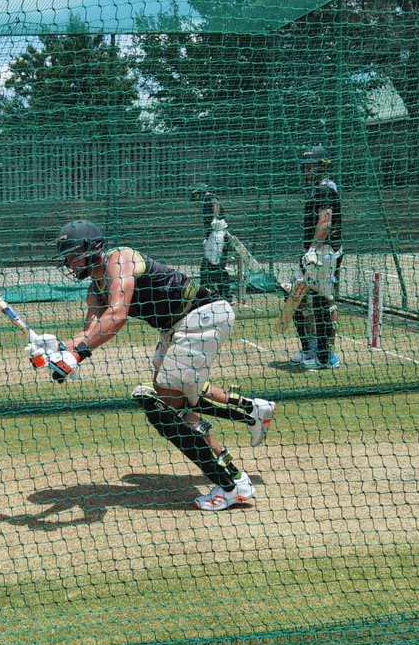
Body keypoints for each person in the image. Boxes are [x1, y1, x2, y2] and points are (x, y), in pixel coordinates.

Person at [26, 219, 275, 512]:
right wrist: (57, 347)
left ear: (92, 248)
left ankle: (233, 483)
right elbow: (92, 331)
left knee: (172, 400)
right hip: (179, 327)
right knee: (174, 390)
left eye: (72, 253)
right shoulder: (95, 288)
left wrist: (76, 354)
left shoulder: (120, 260)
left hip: (201, 316)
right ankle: (252, 411)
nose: (68, 262)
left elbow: (116, 316)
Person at [288, 145, 342, 370]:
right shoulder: (316, 188)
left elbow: (326, 221)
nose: (305, 169)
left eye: (310, 165)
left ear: (321, 166)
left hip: (324, 252)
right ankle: (309, 347)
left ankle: (324, 356)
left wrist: (313, 249)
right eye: (304, 165)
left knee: (321, 301)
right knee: (295, 297)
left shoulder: (325, 189)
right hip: (314, 252)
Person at [189, 186, 234, 301]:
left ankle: (223, 296)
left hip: (218, 237)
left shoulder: (209, 197)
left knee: (213, 268)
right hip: (214, 237)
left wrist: (215, 217)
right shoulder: (207, 198)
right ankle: (213, 295)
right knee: (210, 268)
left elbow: (215, 204)